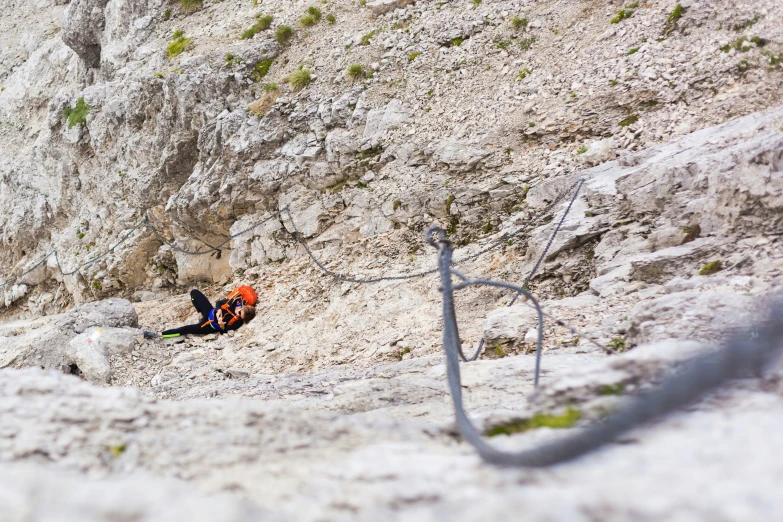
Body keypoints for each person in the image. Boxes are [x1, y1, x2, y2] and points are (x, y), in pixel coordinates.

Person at [144, 289, 256, 339]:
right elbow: (219, 302)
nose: (237, 315)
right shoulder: (234, 302)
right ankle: (200, 314)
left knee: (186, 329)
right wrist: (219, 310)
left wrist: (222, 326)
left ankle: (158, 334)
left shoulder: (238, 323)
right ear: (242, 308)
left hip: (209, 326)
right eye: (239, 312)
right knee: (194, 293)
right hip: (209, 311)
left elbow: (223, 331)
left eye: (240, 316)